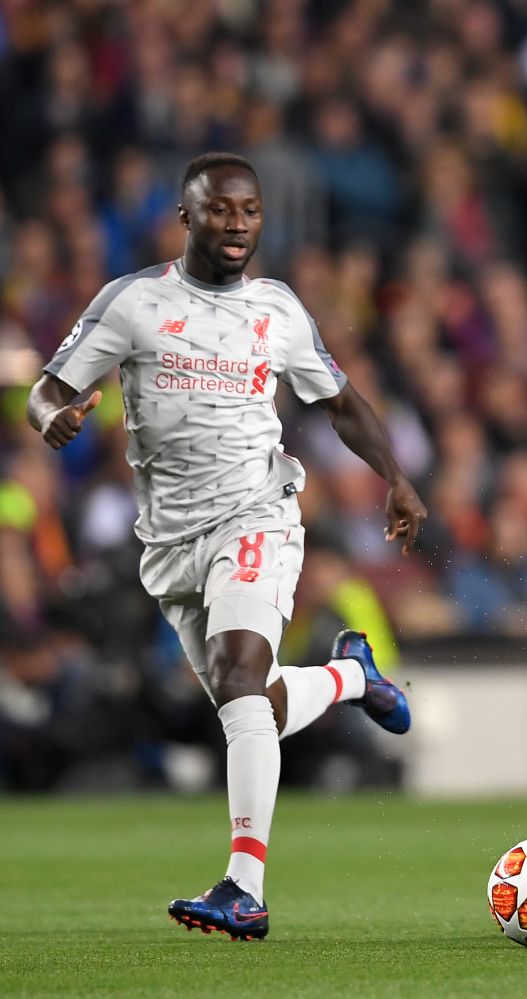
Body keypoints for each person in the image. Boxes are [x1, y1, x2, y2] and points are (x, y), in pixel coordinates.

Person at [25, 152, 428, 940]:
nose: (237, 224)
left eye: (249, 210)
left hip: (257, 514)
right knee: (254, 705)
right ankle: (351, 676)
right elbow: (50, 387)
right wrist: (52, 419)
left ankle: (244, 888)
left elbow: (341, 401)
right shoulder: (133, 302)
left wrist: (396, 477)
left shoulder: (278, 309)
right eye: (219, 210)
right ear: (185, 217)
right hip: (169, 542)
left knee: (240, 676)